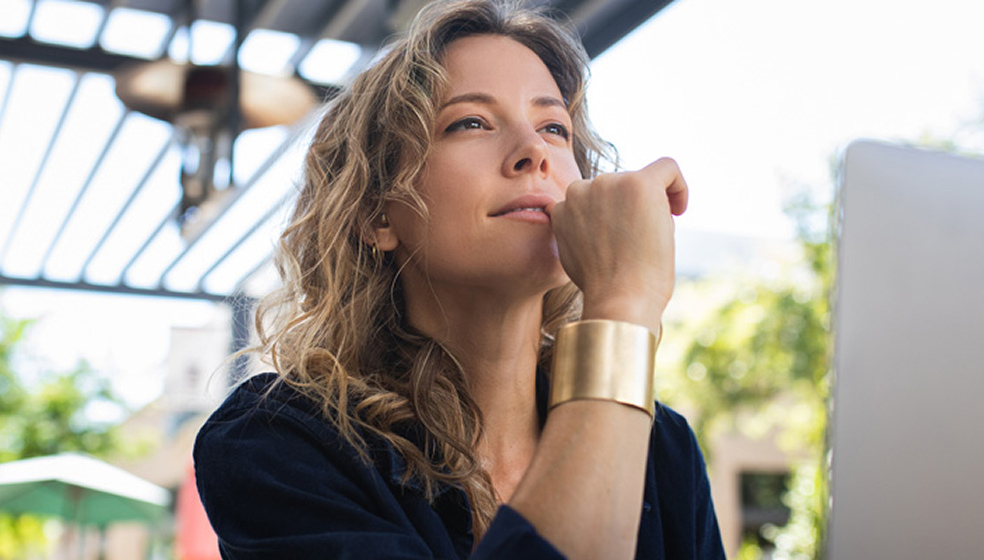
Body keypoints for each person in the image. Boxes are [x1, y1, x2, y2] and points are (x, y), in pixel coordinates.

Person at [194, 0, 726, 558]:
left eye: (554, 127)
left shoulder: (662, 448)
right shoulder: (277, 441)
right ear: (376, 213)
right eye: (471, 122)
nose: (533, 153)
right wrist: (620, 307)